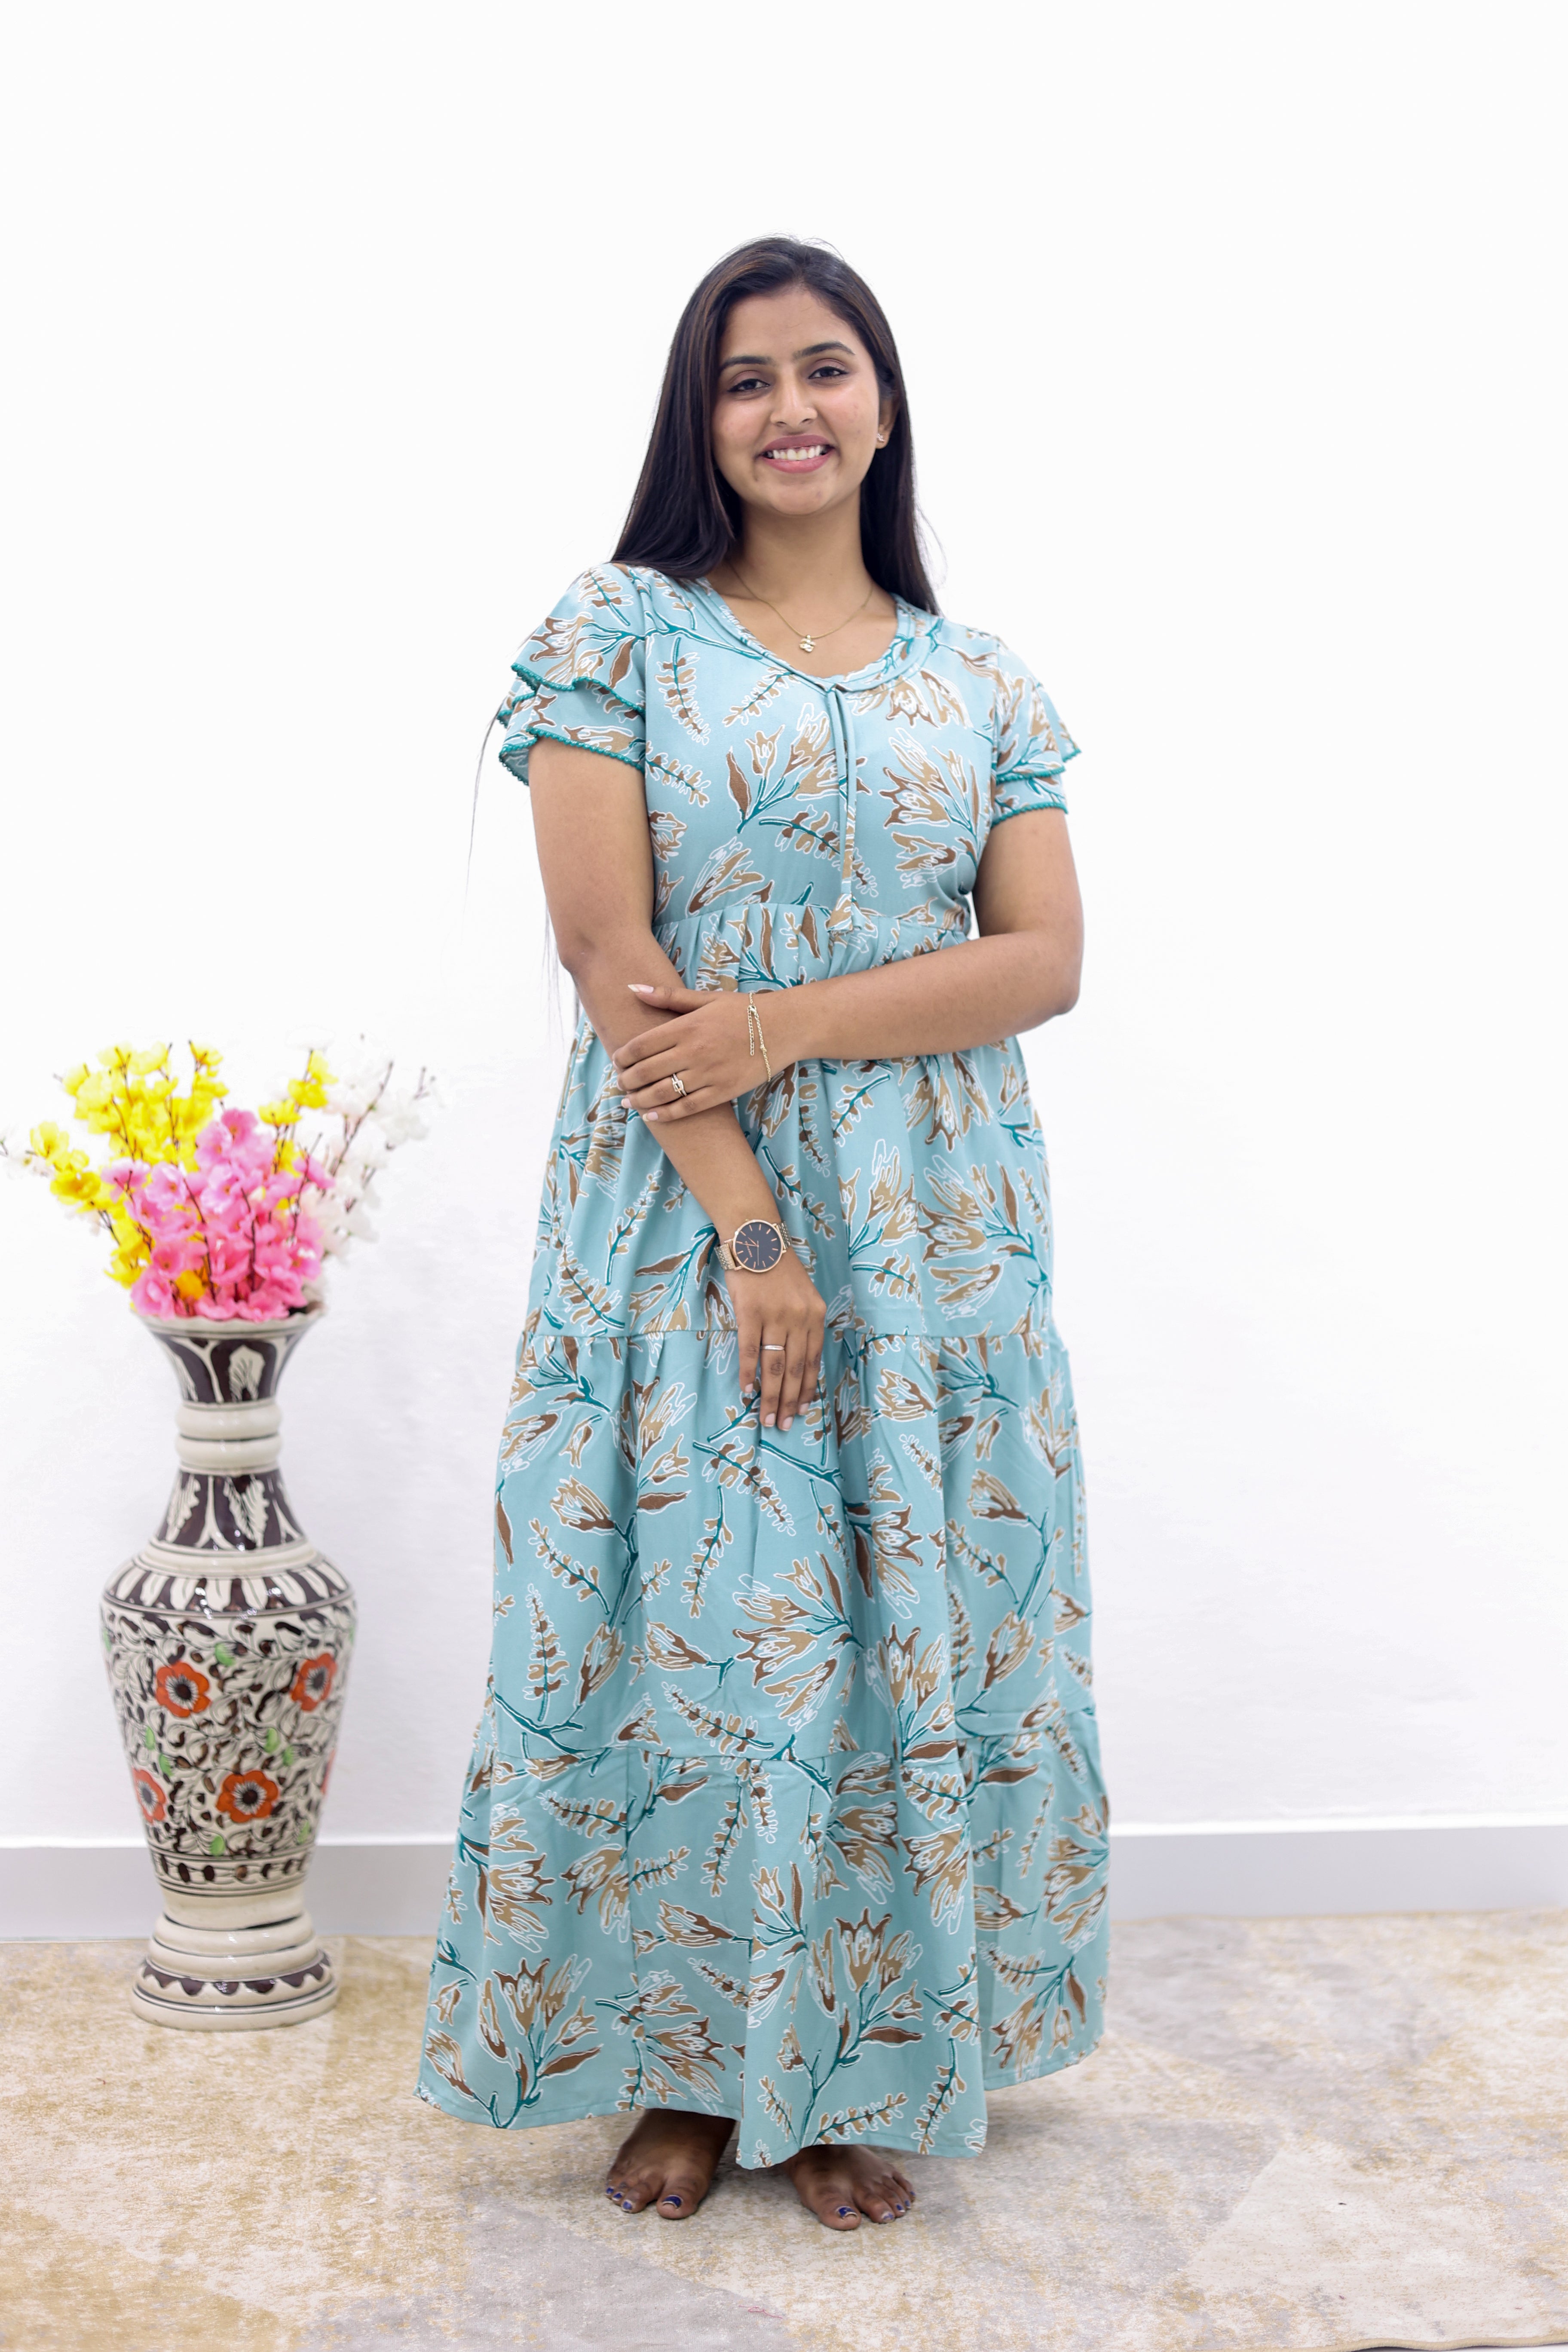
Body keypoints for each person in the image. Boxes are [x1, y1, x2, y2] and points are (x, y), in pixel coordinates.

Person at [418, 236, 1108, 2231]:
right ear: (699, 420)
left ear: (884, 404)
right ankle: (679, 2065)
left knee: (900, 1636)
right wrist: (752, 1234)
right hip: (682, 1210)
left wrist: (782, 1020)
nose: (790, 406)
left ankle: (846, 2064)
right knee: (695, 1625)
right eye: (745, 378)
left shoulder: (981, 677)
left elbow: (1044, 960)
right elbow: (608, 949)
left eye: (825, 367)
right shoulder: (619, 635)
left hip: (939, 1228)